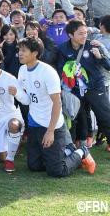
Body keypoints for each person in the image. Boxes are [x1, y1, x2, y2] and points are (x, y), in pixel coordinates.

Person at [16, 37, 95, 176]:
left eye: (23, 50)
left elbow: (57, 103)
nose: (20, 53)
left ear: (34, 53)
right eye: (19, 50)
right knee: (34, 166)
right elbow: (28, 100)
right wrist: (15, 92)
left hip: (52, 125)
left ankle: (81, 151)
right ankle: (65, 151)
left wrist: (50, 131)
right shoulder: (22, 70)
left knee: (57, 171)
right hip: (34, 123)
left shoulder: (47, 72)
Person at [56, 20, 110, 153]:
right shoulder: (63, 48)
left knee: (104, 115)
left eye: (85, 33)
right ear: (70, 35)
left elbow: (108, 66)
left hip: (95, 86)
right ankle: (77, 146)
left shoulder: (94, 45)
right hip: (75, 90)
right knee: (77, 118)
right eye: (80, 33)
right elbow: (60, 70)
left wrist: (100, 56)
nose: (84, 36)